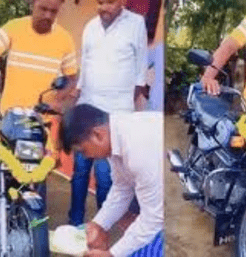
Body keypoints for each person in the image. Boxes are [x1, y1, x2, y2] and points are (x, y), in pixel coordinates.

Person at [0, 0, 77, 206]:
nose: (47, 15)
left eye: (53, 11)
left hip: (39, 124)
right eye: (43, 9)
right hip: (8, 121)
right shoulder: (14, 27)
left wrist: (58, 99)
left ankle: (30, 223)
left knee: (36, 179)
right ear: (32, 4)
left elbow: (72, 77)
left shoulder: (65, 39)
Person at [67, 0, 148, 227]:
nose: (103, 7)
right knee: (80, 172)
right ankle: (75, 222)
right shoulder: (90, 26)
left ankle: (102, 227)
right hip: (85, 112)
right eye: (100, 2)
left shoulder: (136, 24)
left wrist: (120, 114)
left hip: (114, 119)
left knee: (106, 178)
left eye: (110, 2)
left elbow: (140, 76)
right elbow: (84, 70)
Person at [60, 104, 164, 257]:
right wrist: (98, 224)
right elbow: (122, 188)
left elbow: (154, 217)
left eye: (82, 150)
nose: (86, 156)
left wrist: (113, 254)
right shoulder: (116, 138)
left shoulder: (138, 148)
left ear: (98, 135)